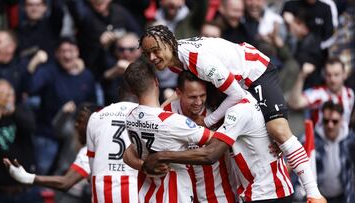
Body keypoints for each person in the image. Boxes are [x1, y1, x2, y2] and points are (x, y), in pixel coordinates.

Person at [139, 24, 325, 201]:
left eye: (156, 50)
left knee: (278, 131)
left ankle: (314, 194)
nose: (152, 57)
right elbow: (184, 92)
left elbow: (236, 93)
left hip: (255, 72)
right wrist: (157, 114)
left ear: (170, 43)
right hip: (237, 82)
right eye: (147, 54)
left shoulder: (197, 60)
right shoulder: (175, 60)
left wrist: (209, 121)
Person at [124, 60, 214, 203]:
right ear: (156, 81)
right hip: (174, 195)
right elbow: (216, 140)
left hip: (148, 194)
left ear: (131, 90)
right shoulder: (174, 122)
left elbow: (127, 154)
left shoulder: (130, 117)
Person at [26, 37, 96, 175]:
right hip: (47, 134)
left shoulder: (86, 75)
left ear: (78, 52)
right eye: (63, 51)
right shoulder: (50, 71)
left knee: (68, 174)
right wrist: (32, 65)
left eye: (71, 51)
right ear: (57, 54)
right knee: (41, 172)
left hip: (74, 137)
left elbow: (92, 104)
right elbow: (30, 88)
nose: (67, 55)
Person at [163, 71, 237, 202]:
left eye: (202, 95)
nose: (198, 102)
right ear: (178, 93)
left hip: (218, 195)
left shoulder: (218, 112)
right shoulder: (165, 115)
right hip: (180, 195)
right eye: (192, 97)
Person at [3, 103, 99, 203]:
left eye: (80, 121)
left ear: (91, 125)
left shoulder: (90, 150)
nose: (76, 125)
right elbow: (56, 128)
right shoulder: (103, 143)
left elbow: (65, 182)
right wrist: (63, 114)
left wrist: (25, 176)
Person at [86, 81, 139, 203]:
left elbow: (92, 163)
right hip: (134, 187)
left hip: (102, 189)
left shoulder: (96, 116)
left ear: (119, 92)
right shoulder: (145, 116)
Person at [294, 101, 355, 203]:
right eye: (326, 121)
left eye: (334, 121)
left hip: (343, 196)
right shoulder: (309, 139)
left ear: (342, 121)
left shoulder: (350, 139)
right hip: (318, 197)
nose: (330, 125)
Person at [0, 79, 42, 203]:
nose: (4, 99)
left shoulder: (21, 111)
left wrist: (11, 109)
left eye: (8, 95)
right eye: (0, 94)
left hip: (25, 190)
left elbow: (30, 126)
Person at [288, 58, 354, 128]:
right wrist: (302, 76)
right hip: (320, 138)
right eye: (329, 75)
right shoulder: (319, 93)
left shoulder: (350, 94)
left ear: (344, 75)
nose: (332, 79)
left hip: (345, 137)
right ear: (324, 75)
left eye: (336, 74)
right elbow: (294, 103)